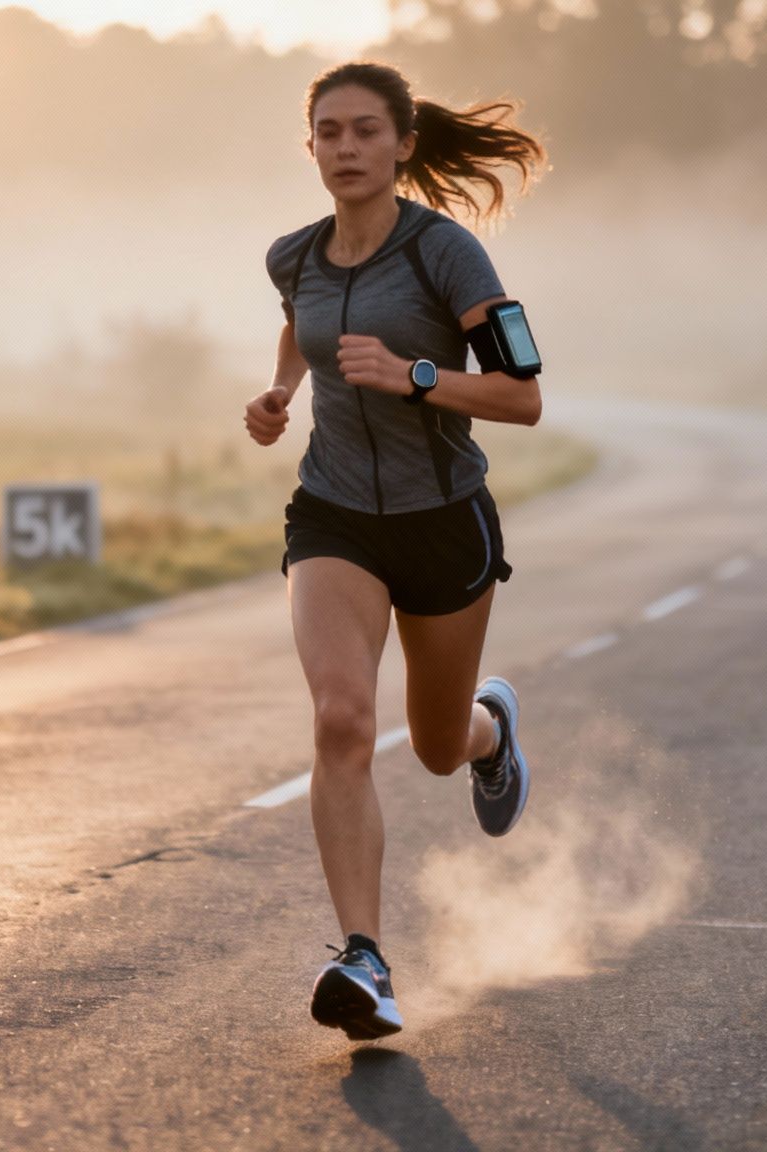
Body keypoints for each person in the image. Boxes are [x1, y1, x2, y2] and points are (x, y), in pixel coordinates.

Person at [243, 60, 548, 1041]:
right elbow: (303, 325)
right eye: (327, 133)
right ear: (310, 148)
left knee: (428, 744)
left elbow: (522, 399)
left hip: (441, 518)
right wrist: (281, 392)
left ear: (403, 143)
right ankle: (365, 961)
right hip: (332, 513)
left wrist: (416, 373)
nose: (344, 149)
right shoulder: (293, 254)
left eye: (364, 131)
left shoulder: (445, 256)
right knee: (339, 719)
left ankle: (488, 733)